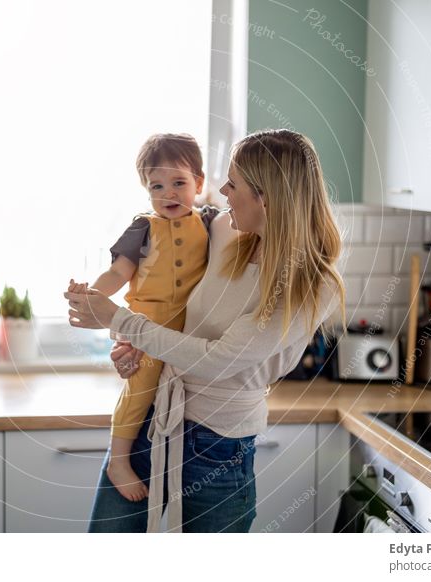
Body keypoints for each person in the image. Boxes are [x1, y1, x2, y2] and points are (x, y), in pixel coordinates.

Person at [66, 129, 347, 532]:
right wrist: (136, 346)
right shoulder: (226, 230)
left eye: (233, 183)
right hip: (155, 417)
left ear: (265, 195)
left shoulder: (312, 284)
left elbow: (218, 359)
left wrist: (117, 319)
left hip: (219, 446)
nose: (221, 190)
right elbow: (172, 304)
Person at [73, 133, 219, 502]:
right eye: (157, 185)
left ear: (199, 184)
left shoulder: (213, 223)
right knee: (140, 391)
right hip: (146, 328)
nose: (168, 193)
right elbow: (118, 273)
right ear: (146, 189)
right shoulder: (142, 228)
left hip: (191, 331)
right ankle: (119, 461)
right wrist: (92, 295)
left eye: (179, 183)